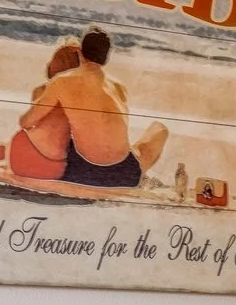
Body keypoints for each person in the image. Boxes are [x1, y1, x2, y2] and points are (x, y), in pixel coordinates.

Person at [44, 29, 167, 189]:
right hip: (123, 173)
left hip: (79, 171)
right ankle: (141, 177)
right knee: (159, 129)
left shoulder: (56, 91)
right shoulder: (111, 89)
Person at [0, 40, 77, 180]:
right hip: (55, 169)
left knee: (6, 147)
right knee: (10, 148)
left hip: (25, 162)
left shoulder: (42, 91)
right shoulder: (82, 99)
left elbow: (28, 123)